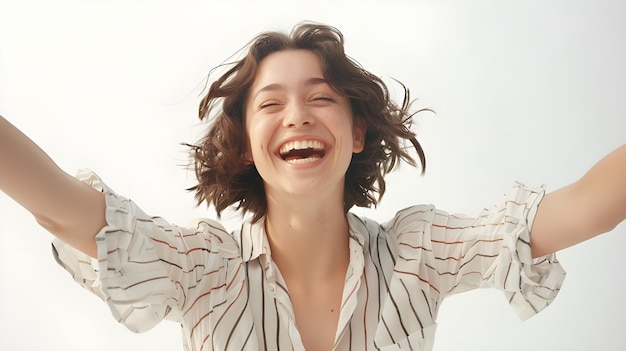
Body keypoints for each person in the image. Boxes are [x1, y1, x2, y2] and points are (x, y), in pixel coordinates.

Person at [0, 22, 624, 351]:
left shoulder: (418, 254)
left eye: (321, 98)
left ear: (355, 134)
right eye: (271, 103)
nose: (297, 114)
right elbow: (61, 207)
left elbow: (587, 205)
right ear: (246, 145)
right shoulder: (200, 268)